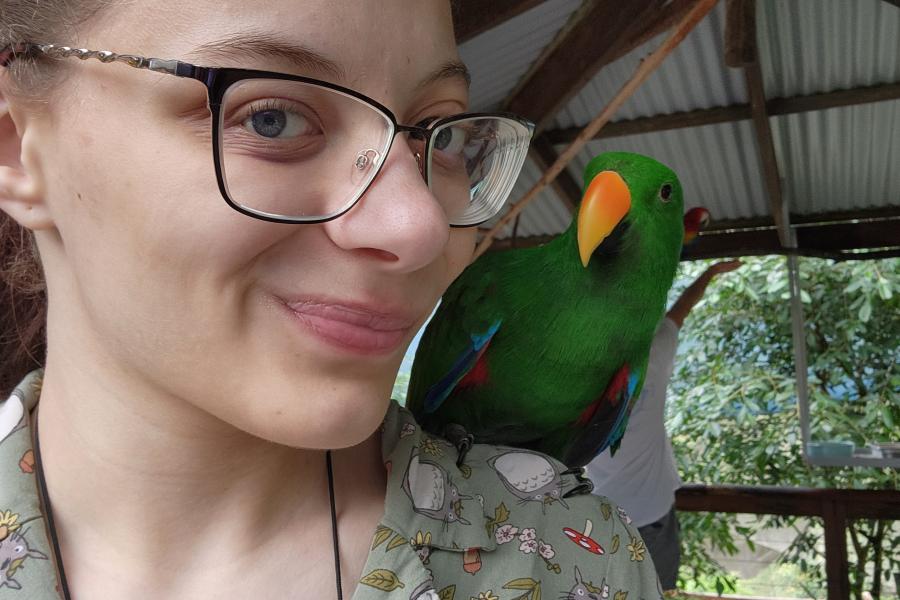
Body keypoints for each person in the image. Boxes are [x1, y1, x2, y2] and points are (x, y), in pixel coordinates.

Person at [0, 1, 664, 598]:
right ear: (16, 150)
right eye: (271, 117)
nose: (420, 224)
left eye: (444, 131)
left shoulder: (579, 563)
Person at [585, 260, 743, 592]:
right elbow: (681, 310)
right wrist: (709, 273)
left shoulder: (577, 370)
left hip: (598, 517)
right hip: (650, 515)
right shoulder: (655, 352)